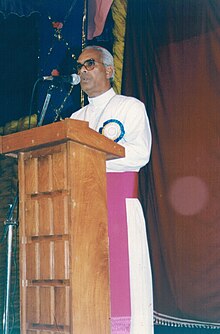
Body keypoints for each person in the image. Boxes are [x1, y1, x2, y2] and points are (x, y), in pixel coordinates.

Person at [70, 45, 154, 334]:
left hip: (119, 207)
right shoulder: (75, 119)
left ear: (109, 69)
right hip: (83, 211)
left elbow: (139, 154)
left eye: (90, 64)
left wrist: (92, 158)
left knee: (123, 280)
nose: (82, 71)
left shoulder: (130, 107)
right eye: (79, 66)